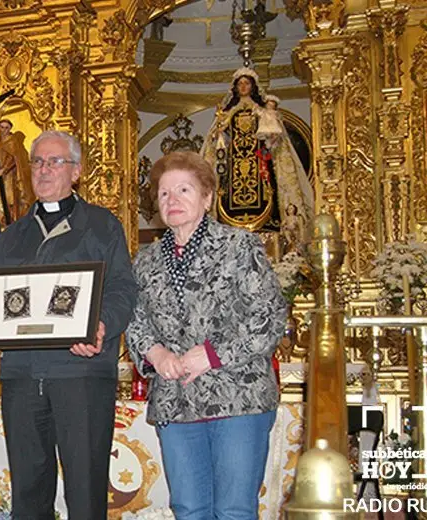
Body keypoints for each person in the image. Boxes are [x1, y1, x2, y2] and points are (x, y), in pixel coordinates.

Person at [0, 130, 137, 519]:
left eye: (55, 162)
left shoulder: (102, 226)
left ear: (77, 172)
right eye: (37, 162)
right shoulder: (11, 236)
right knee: (28, 492)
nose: (44, 170)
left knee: (85, 489)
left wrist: (100, 326)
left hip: (80, 375)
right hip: (21, 377)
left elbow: (123, 290)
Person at [126, 151, 287, 520]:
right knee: (189, 509)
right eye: (164, 193)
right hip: (176, 399)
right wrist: (156, 354)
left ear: (207, 197)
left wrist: (211, 355)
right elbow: (134, 320)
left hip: (237, 398)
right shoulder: (145, 260)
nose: (172, 200)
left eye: (184, 189)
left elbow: (269, 316)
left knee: (233, 510)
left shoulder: (239, 246)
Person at [201, 68, 313, 237]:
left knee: (265, 189)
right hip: (235, 163)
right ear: (235, 88)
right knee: (227, 191)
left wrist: (270, 135)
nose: (243, 87)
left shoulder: (261, 112)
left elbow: (273, 135)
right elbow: (218, 139)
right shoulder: (228, 113)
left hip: (258, 161)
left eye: (246, 83)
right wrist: (219, 134)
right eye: (240, 84)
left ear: (252, 87)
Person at [0, 119, 34, 222]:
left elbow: (14, 159)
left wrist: (3, 170)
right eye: (1, 127)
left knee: (10, 201)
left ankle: (11, 221)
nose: (4, 130)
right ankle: (1, 221)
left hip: (9, 177)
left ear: (10, 129)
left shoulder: (12, 142)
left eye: (6, 128)